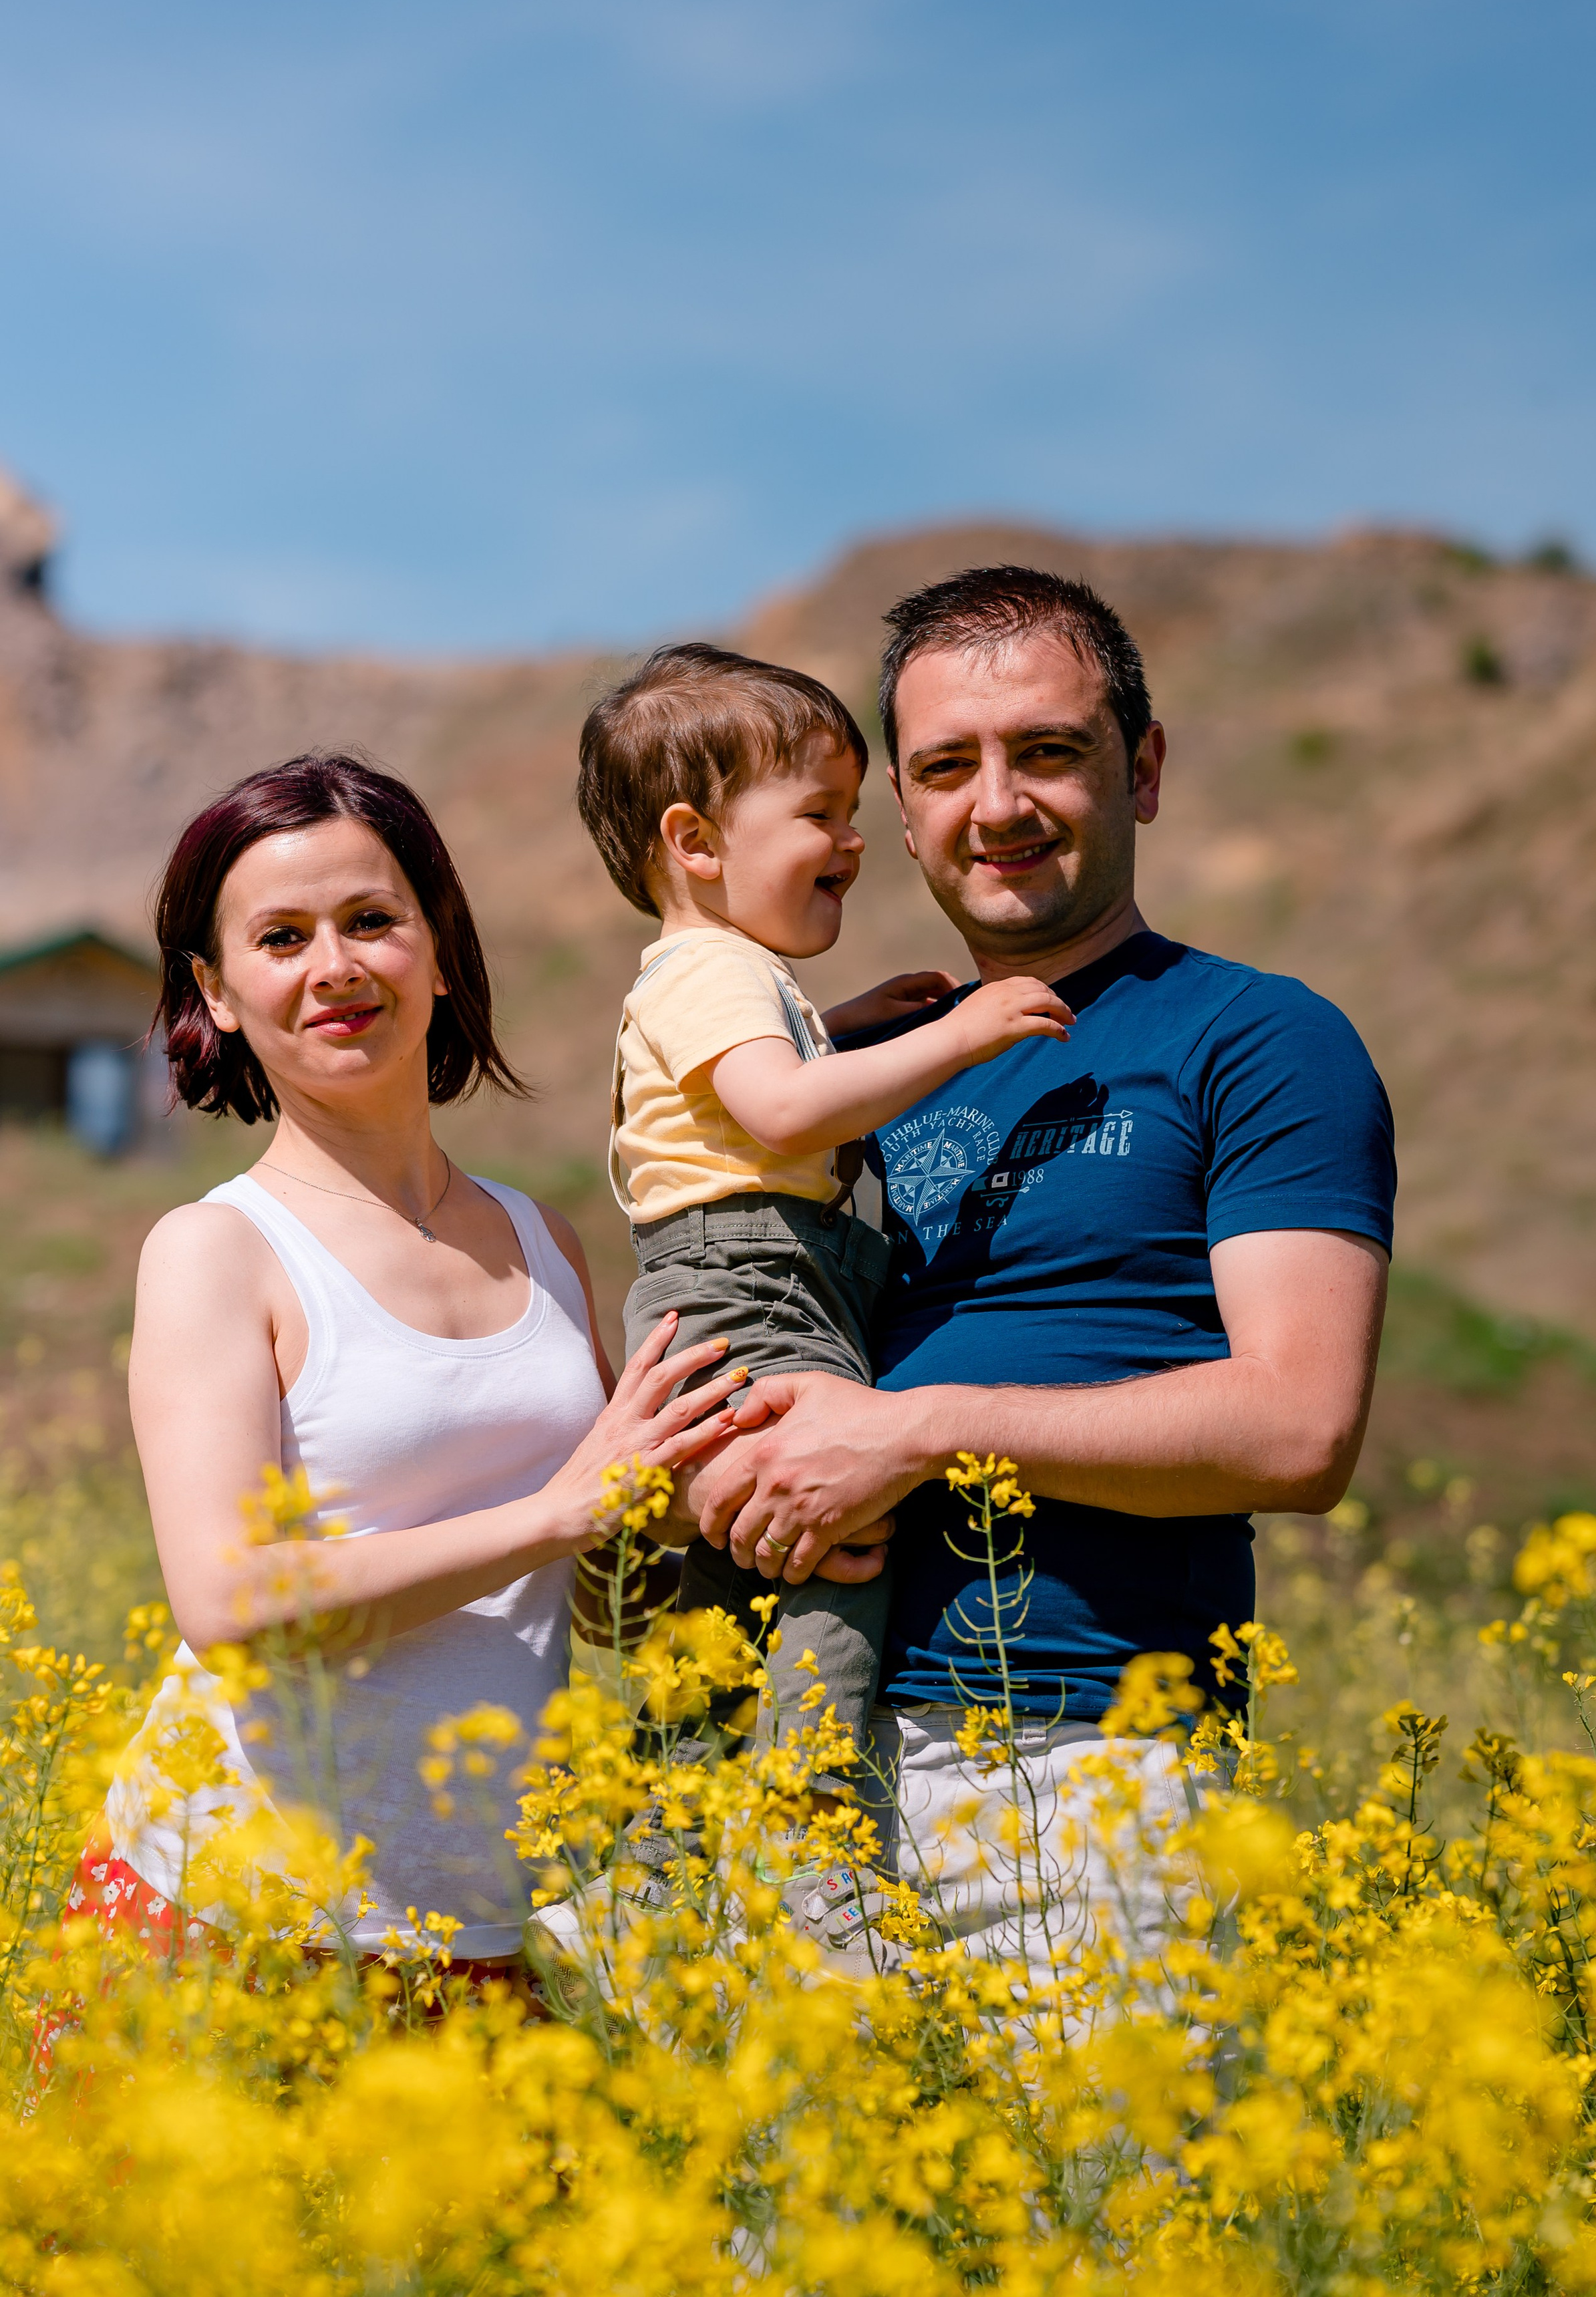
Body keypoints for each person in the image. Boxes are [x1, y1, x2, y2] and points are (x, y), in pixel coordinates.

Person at [678, 568, 1396, 1968]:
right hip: (809, 1771)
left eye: (1047, 752)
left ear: (1143, 769)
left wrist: (920, 1432)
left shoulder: (1254, 1039)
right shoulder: (848, 1075)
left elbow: (1299, 1427)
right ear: (901, 809)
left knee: (1101, 2197)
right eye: (946, 766)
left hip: (1089, 1772)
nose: (993, 804)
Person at [84, 752, 758, 1975]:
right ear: (218, 991)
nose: (335, 966)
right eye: (280, 937)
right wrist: (562, 1512)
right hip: (238, 1923)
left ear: (440, 952)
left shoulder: (545, 1241)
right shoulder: (216, 1252)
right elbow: (231, 1604)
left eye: (372, 922)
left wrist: (727, 1519)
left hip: (478, 1927)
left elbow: (591, 1588)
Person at [575, 643, 1068, 1809]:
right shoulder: (714, 972)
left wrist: (843, 1025)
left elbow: (750, 1090)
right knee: (835, 1536)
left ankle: (665, 1839)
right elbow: (783, 1109)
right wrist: (959, 1036)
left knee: (744, 1572)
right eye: (820, 815)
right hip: (757, 1279)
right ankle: (814, 1820)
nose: (853, 842)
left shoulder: (723, 975)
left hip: (744, 1276)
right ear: (696, 843)